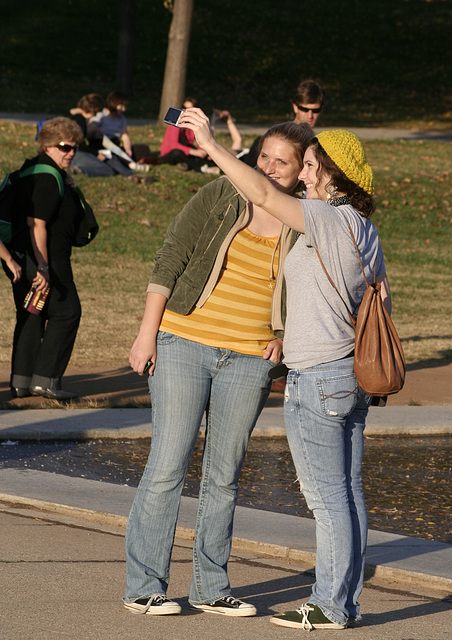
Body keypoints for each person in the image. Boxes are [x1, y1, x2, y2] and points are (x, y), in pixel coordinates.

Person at [179, 108, 391, 630]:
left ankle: (328, 605)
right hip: (351, 376)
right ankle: (344, 602)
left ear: (331, 174)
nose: (305, 172)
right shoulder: (365, 229)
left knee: (327, 499)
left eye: (313, 163)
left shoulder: (332, 217)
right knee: (349, 493)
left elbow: (265, 196)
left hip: (319, 377)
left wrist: (210, 144)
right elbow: (379, 299)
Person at [124, 121, 314, 616]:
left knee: (224, 475)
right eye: (264, 157)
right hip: (185, 340)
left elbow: (313, 291)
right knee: (168, 464)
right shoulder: (220, 194)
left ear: (299, 173)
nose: (269, 168)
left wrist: (284, 339)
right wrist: (147, 332)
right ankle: (144, 585)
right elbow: (169, 259)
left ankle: (210, 587)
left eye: (283, 162)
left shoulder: (303, 219)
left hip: (250, 359)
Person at [5, 117, 93, 400]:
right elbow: (37, 223)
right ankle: (46, 381)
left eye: (74, 148)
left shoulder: (30, 168)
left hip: (20, 256)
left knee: (31, 313)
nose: (70, 152)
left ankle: (21, 382)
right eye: (64, 147)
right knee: (67, 312)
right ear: (48, 145)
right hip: (45, 257)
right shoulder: (46, 175)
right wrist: (43, 267)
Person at [242, 79, 326, 168]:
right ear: (295, 107)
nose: (310, 115)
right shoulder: (267, 141)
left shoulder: (318, 146)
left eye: (316, 110)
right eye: (305, 109)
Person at [67, 93, 136, 178]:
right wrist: (96, 154)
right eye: (96, 112)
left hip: (76, 152)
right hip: (75, 154)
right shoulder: (79, 119)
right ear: (93, 110)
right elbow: (79, 145)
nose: (95, 115)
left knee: (110, 160)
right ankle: (79, 169)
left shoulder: (73, 116)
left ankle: (130, 174)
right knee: (108, 170)